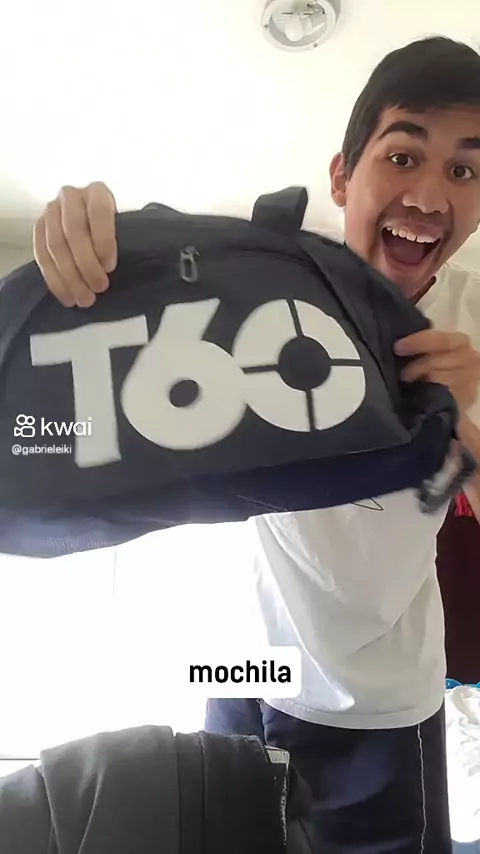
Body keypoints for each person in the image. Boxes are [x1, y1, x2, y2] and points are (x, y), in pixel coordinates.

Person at [32, 36, 480, 854]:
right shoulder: (268, 280)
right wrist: (84, 235)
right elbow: (132, 310)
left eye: (463, 170)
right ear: (342, 176)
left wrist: (463, 424)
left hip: (380, 700)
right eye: (403, 155)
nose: (427, 194)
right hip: (244, 669)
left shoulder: (474, 322)